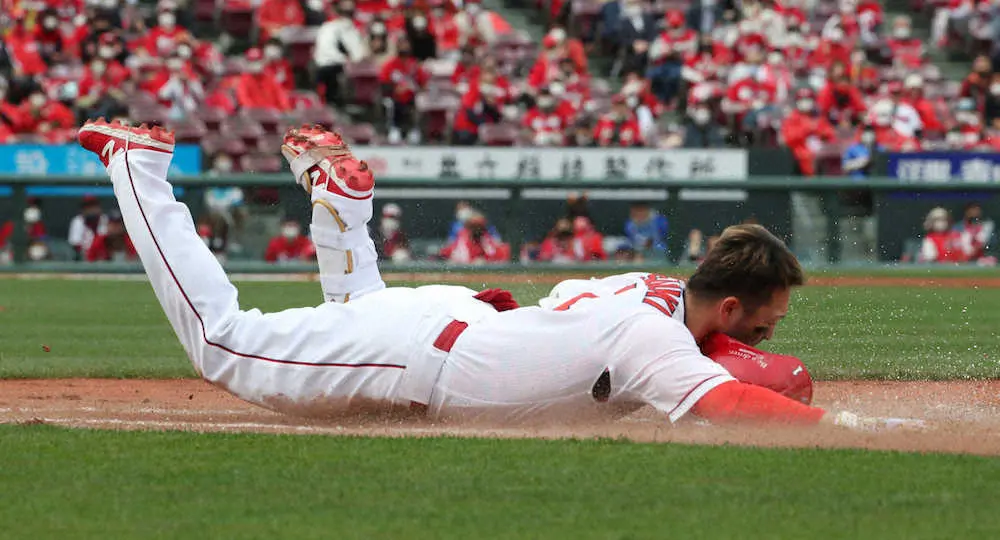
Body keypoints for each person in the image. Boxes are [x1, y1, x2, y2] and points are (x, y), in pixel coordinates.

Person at [75, 119, 907, 430]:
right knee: (223, 342)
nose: (767, 334)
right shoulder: (659, 340)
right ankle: (138, 167)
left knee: (357, 307)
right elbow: (727, 401)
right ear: (728, 303)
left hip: (447, 326)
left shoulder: (645, 287)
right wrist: (841, 426)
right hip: (421, 350)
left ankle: (341, 205)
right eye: (764, 318)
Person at [313, 1, 368, 106]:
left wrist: (356, 61)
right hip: (330, 68)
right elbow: (325, 54)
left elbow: (358, 53)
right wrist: (345, 60)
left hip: (351, 67)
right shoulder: (328, 28)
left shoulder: (353, 29)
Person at [438, 213, 510, 264]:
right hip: (462, 268)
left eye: (479, 226)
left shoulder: (485, 238)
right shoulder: (462, 235)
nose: (477, 229)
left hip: (481, 271)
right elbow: (450, 252)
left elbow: (496, 254)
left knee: (479, 262)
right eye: (474, 226)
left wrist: (483, 260)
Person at [68, 195, 108, 260]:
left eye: (93, 206)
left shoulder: (105, 219)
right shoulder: (78, 221)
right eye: (87, 207)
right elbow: (75, 245)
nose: (91, 209)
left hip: (104, 257)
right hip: (84, 259)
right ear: (83, 209)